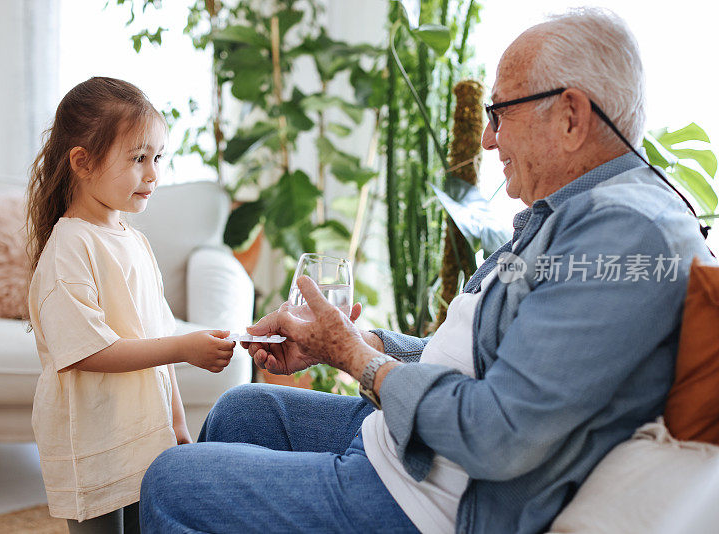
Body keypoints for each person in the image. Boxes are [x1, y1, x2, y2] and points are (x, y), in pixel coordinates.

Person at [140, 8, 714, 534]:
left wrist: (357, 360)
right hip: (413, 453)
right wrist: (353, 341)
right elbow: (477, 362)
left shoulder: (621, 237)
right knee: (244, 410)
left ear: (570, 115)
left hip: (434, 501)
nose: (488, 140)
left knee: (171, 482)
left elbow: (498, 436)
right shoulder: (577, 211)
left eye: (500, 113)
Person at [25, 76, 236, 533]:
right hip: (92, 438)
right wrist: (183, 348)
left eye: (157, 158)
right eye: (139, 158)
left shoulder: (135, 242)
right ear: (82, 162)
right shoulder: (69, 247)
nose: (153, 174)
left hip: (144, 431)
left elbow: (156, 339)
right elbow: (89, 351)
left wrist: (177, 424)